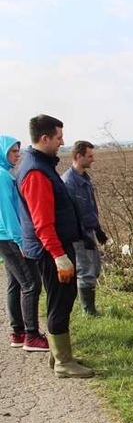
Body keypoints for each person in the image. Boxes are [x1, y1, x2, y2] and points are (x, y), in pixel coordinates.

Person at [16, 115, 93, 378]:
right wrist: (59, 255)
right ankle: (63, 363)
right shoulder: (36, 171)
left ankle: (58, 356)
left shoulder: (40, 165)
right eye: (59, 137)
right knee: (61, 301)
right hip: (52, 250)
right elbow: (42, 221)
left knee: (59, 300)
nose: (63, 142)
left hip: (53, 247)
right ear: (44, 138)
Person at [0, 135, 48, 351]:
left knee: (15, 283)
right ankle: (31, 336)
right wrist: (21, 241)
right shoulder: (2, 176)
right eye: (13, 151)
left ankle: (18, 333)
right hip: (11, 238)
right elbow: (10, 214)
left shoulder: (4, 174)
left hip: (5, 239)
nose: (17, 155)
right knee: (31, 284)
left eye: (18, 150)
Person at [63, 141, 107, 316]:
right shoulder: (68, 182)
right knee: (86, 270)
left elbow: (89, 208)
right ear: (78, 157)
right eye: (90, 156)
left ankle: (89, 307)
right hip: (78, 235)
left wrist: (97, 229)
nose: (93, 159)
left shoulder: (85, 179)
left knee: (95, 268)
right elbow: (70, 214)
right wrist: (82, 234)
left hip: (89, 231)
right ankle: (88, 311)